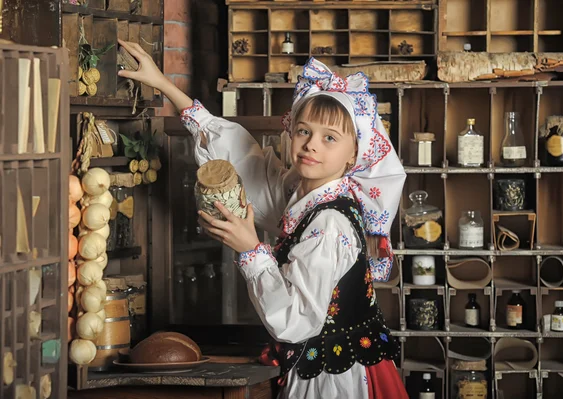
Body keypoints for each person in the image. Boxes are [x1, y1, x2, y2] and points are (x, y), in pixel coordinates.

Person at [118, 39, 408, 399]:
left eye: (330, 138)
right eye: (304, 131)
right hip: (326, 365)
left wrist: (250, 249)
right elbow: (244, 160)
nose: (311, 144)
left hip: (334, 379)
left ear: (355, 156)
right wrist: (163, 84)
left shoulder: (328, 223)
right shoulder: (301, 193)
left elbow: (295, 321)